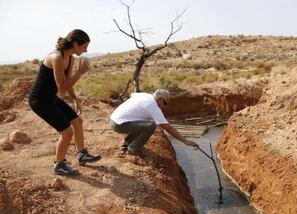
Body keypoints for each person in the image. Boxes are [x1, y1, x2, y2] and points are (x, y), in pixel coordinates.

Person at [28, 29, 101, 176]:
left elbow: (67, 84)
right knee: (67, 131)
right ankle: (59, 165)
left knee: (77, 121)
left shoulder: (70, 57)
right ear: (75, 44)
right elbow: (61, 88)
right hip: (39, 101)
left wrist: (75, 98)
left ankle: (82, 154)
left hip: (50, 98)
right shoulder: (56, 57)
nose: (86, 50)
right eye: (84, 46)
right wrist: (80, 72)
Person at [110, 89, 198, 155]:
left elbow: (133, 94)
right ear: (160, 99)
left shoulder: (145, 95)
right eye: (165, 103)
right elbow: (168, 127)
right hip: (119, 125)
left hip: (114, 119)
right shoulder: (153, 106)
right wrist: (185, 141)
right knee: (151, 125)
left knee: (145, 122)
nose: (164, 106)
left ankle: (127, 142)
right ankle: (133, 148)